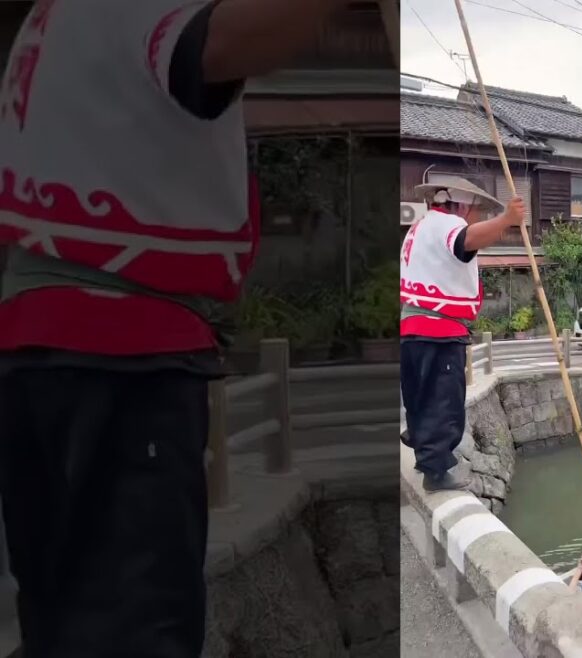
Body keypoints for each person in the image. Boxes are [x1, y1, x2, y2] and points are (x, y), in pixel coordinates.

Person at [0, 2, 351, 656]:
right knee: (137, 627)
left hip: (37, 345)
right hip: (117, 355)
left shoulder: (52, 22)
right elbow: (227, 42)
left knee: (60, 618)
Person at [400, 178, 525, 491]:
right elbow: (466, 240)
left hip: (412, 327)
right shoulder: (447, 224)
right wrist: (507, 220)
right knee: (443, 400)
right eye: (476, 210)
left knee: (420, 397)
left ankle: (424, 454)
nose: (476, 216)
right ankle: (437, 471)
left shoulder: (418, 228)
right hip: (438, 329)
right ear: (461, 205)